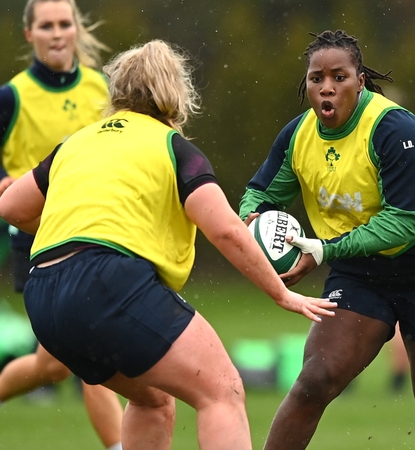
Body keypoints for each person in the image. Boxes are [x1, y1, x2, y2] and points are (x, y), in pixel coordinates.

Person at [0, 39, 337, 450]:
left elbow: (12, 207)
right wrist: (281, 292)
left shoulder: (76, 142)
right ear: (175, 94)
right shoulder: (174, 148)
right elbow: (227, 230)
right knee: (221, 390)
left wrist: (72, 229)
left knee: (153, 400)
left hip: (43, 297)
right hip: (109, 282)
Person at [239, 30, 415, 450]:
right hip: (361, 276)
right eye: (316, 78)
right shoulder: (298, 136)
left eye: (339, 76)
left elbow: (403, 224)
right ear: (307, 84)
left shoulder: (394, 128)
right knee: (314, 380)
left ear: (360, 80)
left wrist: (325, 250)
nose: (327, 87)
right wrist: (250, 221)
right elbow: (259, 193)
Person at [0, 1, 123, 448]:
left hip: (95, 236)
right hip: (37, 241)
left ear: (77, 29)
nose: (56, 33)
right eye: (46, 25)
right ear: (29, 34)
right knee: (89, 347)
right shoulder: (12, 96)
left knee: (55, 364)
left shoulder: (104, 89)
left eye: (64, 24)